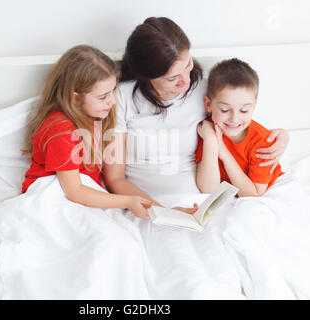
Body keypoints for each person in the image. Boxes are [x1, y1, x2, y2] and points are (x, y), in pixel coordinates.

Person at [104, 17, 289, 216]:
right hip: (144, 207)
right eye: (172, 78)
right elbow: (115, 179)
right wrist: (163, 212)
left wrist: (281, 136)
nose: (185, 81)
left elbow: (239, 123)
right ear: (146, 76)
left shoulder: (204, 90)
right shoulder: (122, 98)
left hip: (198, 203)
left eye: (187, 65)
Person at [21, 45, 153, 218]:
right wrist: (127, 201)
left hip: (84, 192)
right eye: (103, 96)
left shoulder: (93, 116)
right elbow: (74, 191)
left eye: (114, 90)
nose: (112, 101)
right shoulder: (60, 130)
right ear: (75, 98)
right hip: (54, 195)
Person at [196, 58, 284, 197]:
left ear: (254, 105)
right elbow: (208, 190)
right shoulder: (208, 132)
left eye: (244, 111)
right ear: (208, 105)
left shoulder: (263, 142)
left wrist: (223, 153)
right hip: (230, 194)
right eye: (224, 110)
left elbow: (253, 195)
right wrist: (212, 142)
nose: (234, 119)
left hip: (263, 192)